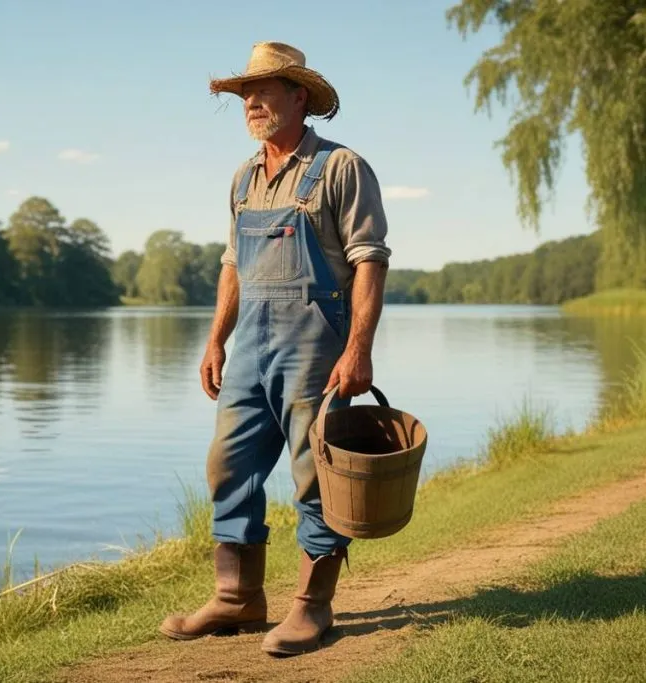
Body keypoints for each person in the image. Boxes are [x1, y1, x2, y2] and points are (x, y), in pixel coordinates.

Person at [158, 41, 391, 656]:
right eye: (245, 94)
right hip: (251, 350)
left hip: (316, 349)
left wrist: (358, 349)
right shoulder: (242, 177)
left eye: (265, 91)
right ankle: (237, 599)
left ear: (300, 97)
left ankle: (313, 607)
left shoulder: (340, 168)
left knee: (317, 475)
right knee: (227, 467)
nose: (252, 103)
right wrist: (215, 339)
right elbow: (233, 262)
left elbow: (370, 263)